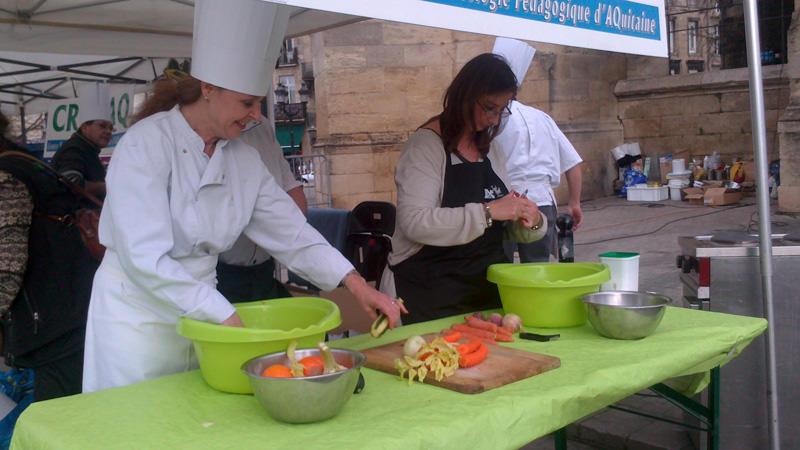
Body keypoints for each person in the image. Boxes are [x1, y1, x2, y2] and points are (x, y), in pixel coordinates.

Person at [82, 0, 405, 393]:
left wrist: (357, 285)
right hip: (137, 321)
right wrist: (222, 313)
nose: (256, 115)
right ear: (208, 88)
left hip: (206, 320)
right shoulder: (145, 144)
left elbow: (292, 233)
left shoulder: (244, 159)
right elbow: (144, 257)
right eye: (247, 103)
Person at [381, 53, 547, 324]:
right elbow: (415, 222)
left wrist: (531, 220)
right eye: (489, 107)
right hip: (428, 300)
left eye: (502, 110)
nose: (494, 120)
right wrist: (489, 212)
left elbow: (503, 220)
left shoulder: (492, 150)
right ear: (465, 95)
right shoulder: (426, 146)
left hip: (485, 299)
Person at [0, 115, 96, 401]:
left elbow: (7, 266)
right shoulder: (23, 161)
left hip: (55, 318)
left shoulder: (6, 177)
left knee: (59, 419)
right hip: (71, 303)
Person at [492, 37, 584, 263]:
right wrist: (575, 203)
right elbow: (573, 164)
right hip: (542, 202)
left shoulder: (491, 118)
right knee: (537, 268)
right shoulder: (543, 118)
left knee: (500, 266)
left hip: (506, 201)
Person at [216, 115, 308, 303]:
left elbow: (288, 188)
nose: (257, 113)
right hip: (222, 274)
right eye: (248, 102)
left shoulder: (262, 127)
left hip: (263, 269)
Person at [51, 83, 113, 201]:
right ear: (85, 127)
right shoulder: (74, 149)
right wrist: (107, 187)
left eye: (111, 128)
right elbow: (70, 183)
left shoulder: (88, 149)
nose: (108, 131)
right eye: (102, 126)